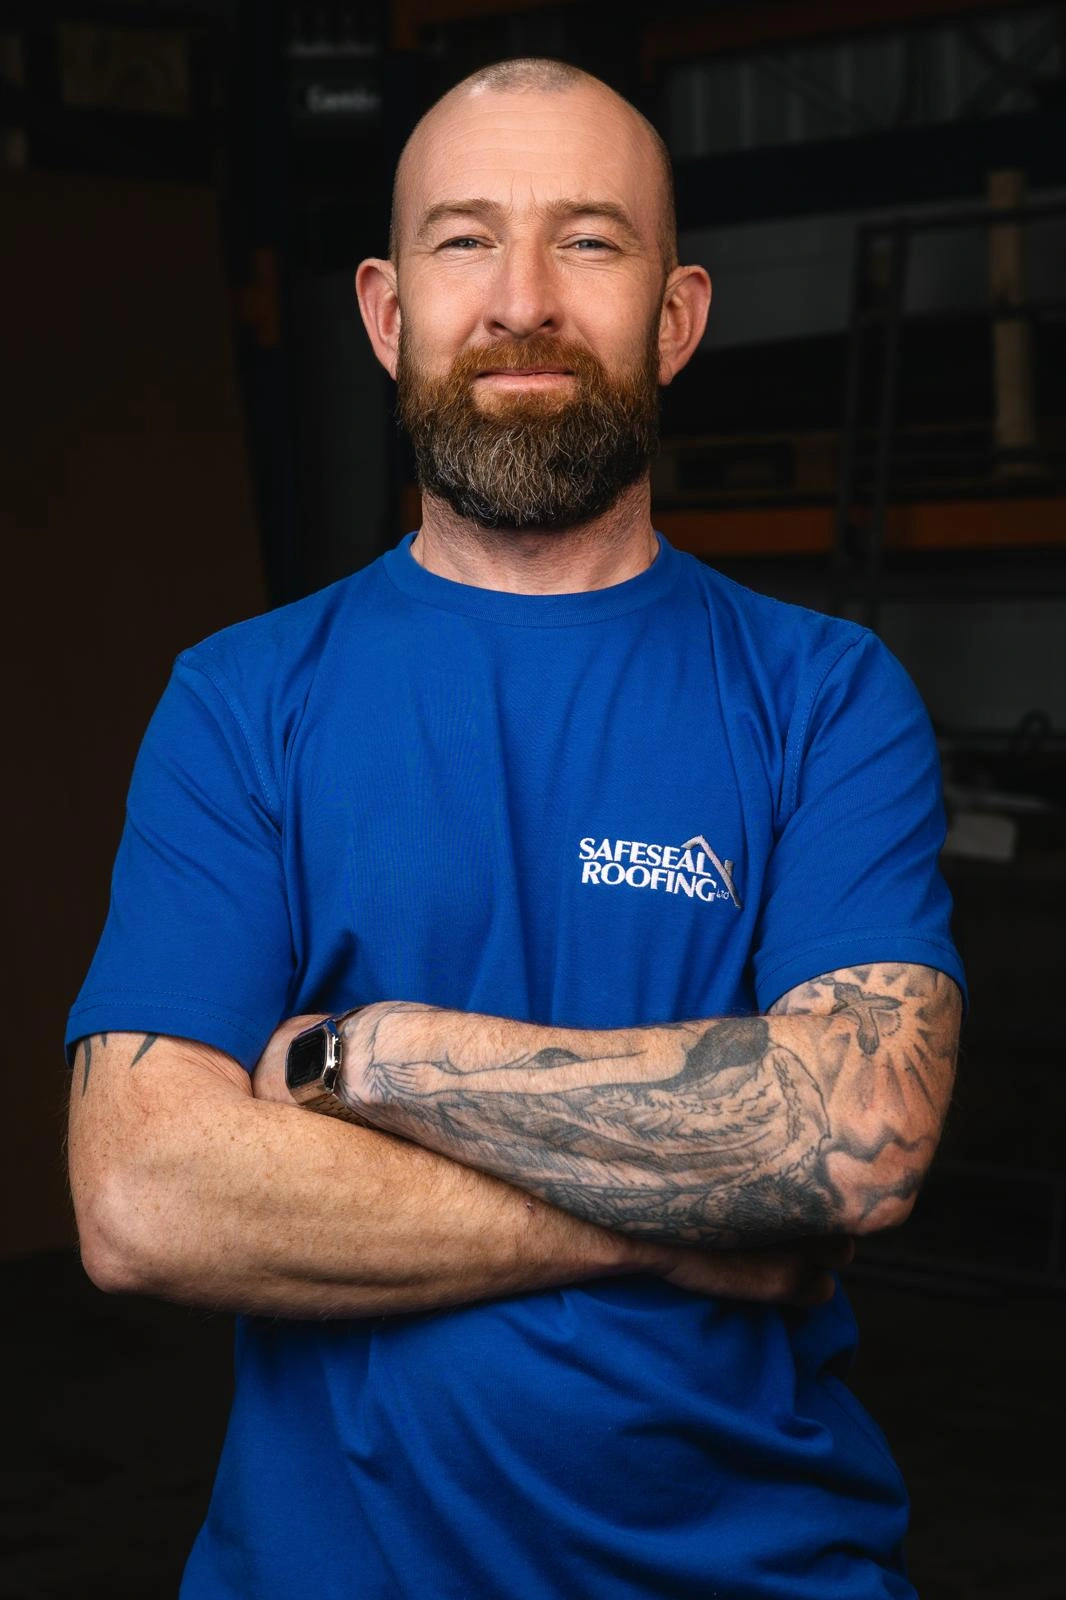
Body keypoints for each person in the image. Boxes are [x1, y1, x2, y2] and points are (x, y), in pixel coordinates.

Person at [67, 56, 964, 1600]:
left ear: (675, 317)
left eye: (590, 240)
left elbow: (845, 1142)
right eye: (464, 239)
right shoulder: (240, 700)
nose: (522, 298)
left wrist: (363, 1059)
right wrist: (668, 1220)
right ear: (384, 309)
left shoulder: (823, 693)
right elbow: (144, 1198)